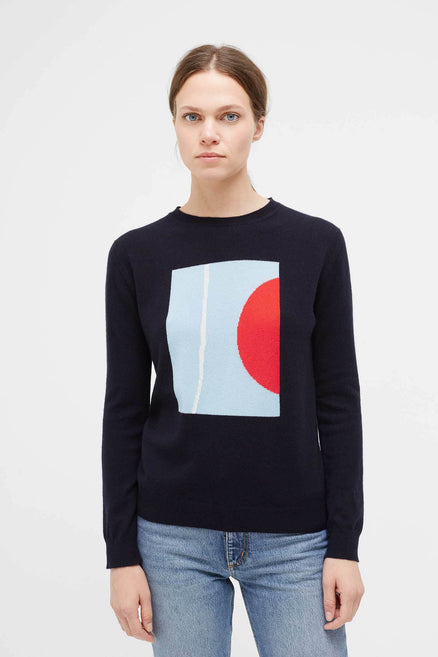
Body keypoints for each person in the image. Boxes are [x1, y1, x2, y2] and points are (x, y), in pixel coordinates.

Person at [101, 44, 365, 656]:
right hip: (171, 539)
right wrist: (121, 554)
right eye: (192, 117)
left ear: (258, 125)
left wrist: (345, 544)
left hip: (296, 540)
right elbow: (124, 409)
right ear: (174, 124)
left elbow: (339, 403)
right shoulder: (137, 255)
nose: (209, 133)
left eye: (229, 116)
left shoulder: (315, 245)